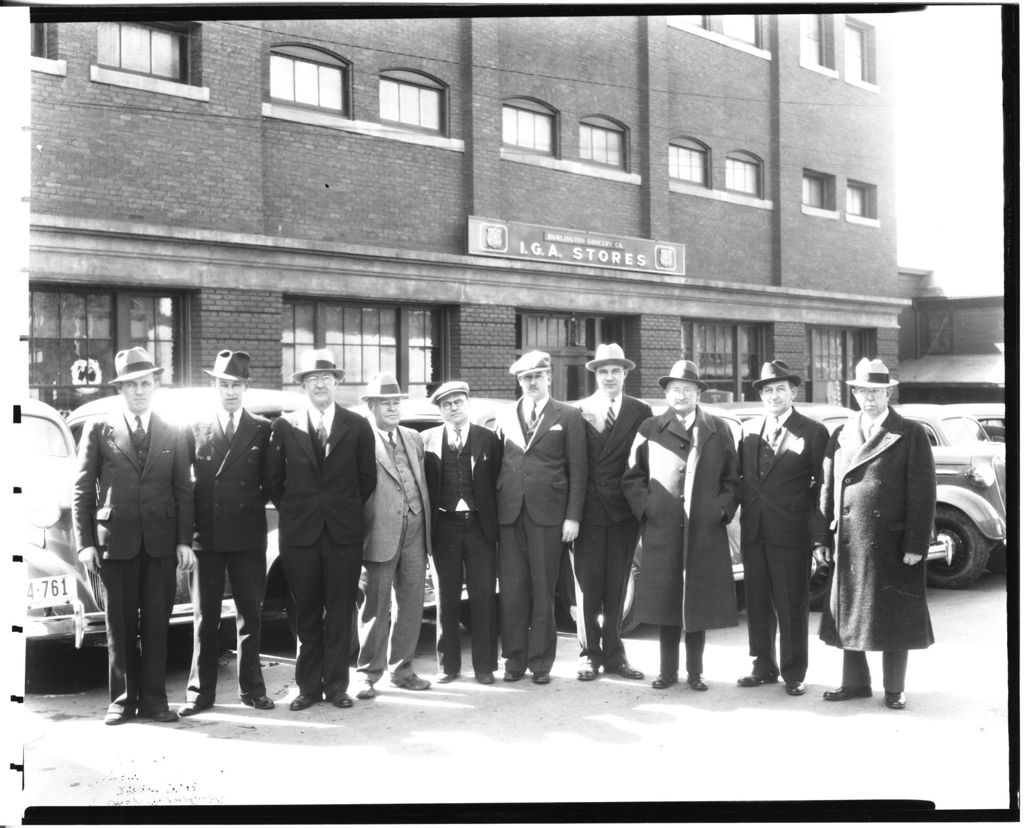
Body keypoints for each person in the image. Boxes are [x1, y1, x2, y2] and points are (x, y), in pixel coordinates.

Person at [72, 347, 195, 725]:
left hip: (159, 543)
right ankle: (122, 701)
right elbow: (82, 489)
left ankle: (156, 701)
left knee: (158, 623)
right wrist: (86, 543)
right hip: (115, 544)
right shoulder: (99, 429)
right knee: (119, 623)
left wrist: (183, 541)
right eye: (131, 385)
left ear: (155, 385)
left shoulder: (173, 431)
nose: (139, 391)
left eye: (145, 383)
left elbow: (182, 489)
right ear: (120, 390)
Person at [816, 358, 935, 710]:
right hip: (849, 539)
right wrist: (822, 537)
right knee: (852, 611)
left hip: (893, 542)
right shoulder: (842, 433)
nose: (869, 398)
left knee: (892, 612)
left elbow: (923, 491)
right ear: (854, 393)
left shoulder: (909, 432)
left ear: (889, 393)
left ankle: (894, 688)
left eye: (877, 392)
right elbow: (828, 486)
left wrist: (916, 542)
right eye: (863, 391)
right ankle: (855, 683)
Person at [265, 348, 376, 711]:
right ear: (303, 386)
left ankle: (337, 687)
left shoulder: (356, 425)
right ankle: (308, 687)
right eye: (313, 381)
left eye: (326, 379)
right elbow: (273, 482)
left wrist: (339, 509)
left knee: (341, 610)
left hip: (343, 535)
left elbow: (366, 479)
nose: (320, 385)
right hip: (300, 536)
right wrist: (301, 510)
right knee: (305, 612)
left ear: (337, 383)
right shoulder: (284, 426)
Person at [622, 359, 740, 691]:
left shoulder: (717, 428)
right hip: (663, 531)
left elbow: (733, 480)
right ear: (667, 393)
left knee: (697, 605)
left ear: (698, 393)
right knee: (666, 605)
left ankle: (696, 673)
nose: (681, 395)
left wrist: (719, 510)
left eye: (687, 389)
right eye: (675, 390)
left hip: (704, 531)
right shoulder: (650, 428)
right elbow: (632, 478)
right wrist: (649, 507)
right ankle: (667, 672)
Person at [179, 350, 275, 716]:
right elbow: (184, 486)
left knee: (251, 614)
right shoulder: (195, 427)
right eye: (223, 384)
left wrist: (249, 507)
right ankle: (199, 694)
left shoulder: (262, 429)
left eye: (236, 385)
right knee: (205, 617)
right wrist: (186, 536)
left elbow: (270, 482)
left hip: (249, 536)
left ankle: (252, 690)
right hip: (207, 537)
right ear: (213, 386)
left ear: (245, 387)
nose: (230, 391)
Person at [735, 360, 829, 697]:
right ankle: (763, 666)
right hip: (755, 530)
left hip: (791, 532)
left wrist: (819, 536)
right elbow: (739, 481)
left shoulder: (812, 431)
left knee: (791, 603)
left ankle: (794, 672)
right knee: (757, 602)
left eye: (780, 388)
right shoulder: (747, 430)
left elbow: (823, 486)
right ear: (761, 394)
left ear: (793, 391)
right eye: (767, 389)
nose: (773, 395)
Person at [495, 351, 587, 685]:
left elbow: (579, 471)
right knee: (512, 591)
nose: (531, 383)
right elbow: (498, 466)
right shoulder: (505, 415)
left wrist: (572, 517)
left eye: (537, 376)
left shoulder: (568, 415)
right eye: (525, 378)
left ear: (549, 377)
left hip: (549, 516)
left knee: (543, 590)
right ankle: (514, 660)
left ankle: (541, 663)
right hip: (510, 515)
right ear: (518, 381)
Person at [571, 344, 652, 682]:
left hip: (623, 513)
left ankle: (615, 655)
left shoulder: (640, 410)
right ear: (595, 375)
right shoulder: (578, 410)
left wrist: (642, 508)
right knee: (588, 586)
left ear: (625, 374)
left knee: (617, 587)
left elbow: (647, 463)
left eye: (615, 371)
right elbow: (574, 466)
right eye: (603, 371)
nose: (608, 377)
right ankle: (589, 655)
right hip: (588, 512)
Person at [354, 372, 433, 698]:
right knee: (375, 605)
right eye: (385, 403)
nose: (392, 409)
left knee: (412, 602)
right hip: (378, 534)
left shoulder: (413, 438)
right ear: (371, 407)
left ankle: (402, 669)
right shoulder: (360, 439)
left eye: (396, 403)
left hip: (415, 529)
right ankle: (368, 674)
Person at [422, 381, 503, 685]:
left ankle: (484, 667)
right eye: (447, 404)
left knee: (483, 597)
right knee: (446, 598)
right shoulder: (426, 440)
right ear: (440, 410)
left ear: (468, 404)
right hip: (444, 527)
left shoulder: (488, 439)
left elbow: (496, 482)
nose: (453, 408)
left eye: (458, 402)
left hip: (480, 527)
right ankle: (447, 666)